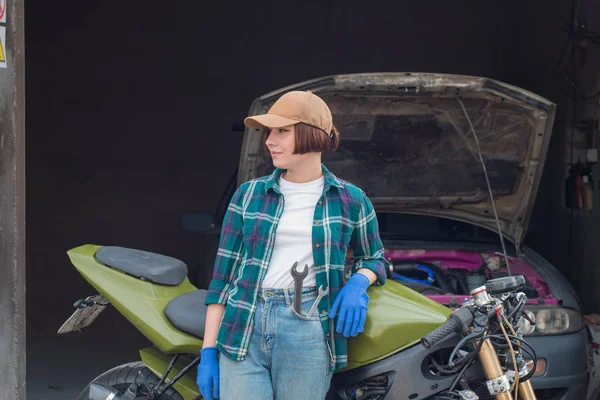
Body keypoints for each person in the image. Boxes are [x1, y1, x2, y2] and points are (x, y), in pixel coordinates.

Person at [196, 90, 388, 400]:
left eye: (282, 131)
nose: (270, 140)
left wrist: (359, 282)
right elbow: (223, 279)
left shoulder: (351, 200)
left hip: (308, 327)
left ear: (312, 134)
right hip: (244, 323)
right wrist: (208, 351)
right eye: (270, 132)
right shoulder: (248, 195)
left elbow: (375, 257)